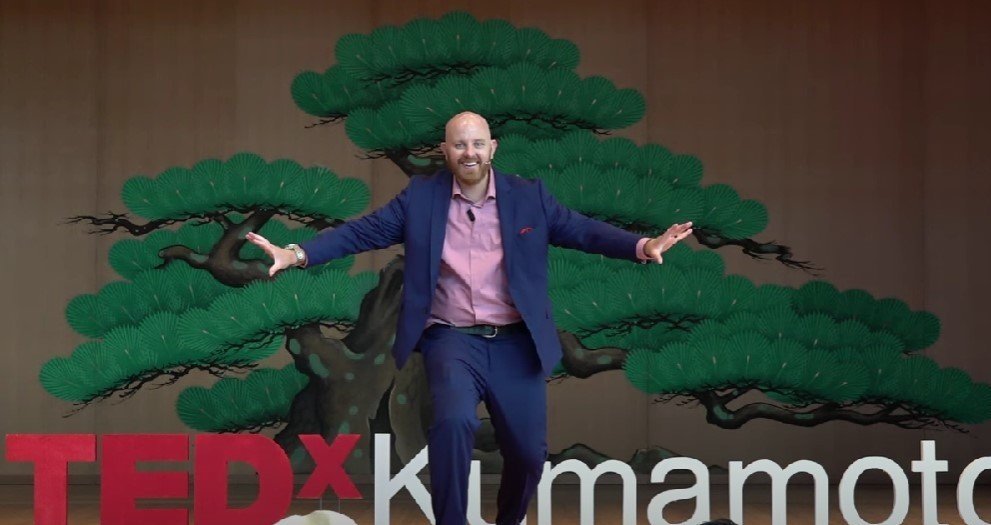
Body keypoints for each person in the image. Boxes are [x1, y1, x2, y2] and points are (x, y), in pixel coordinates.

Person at [247, 112, 693, 525]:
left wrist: (642, 246)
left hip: (517, 343)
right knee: (454, 423)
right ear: (446, 151)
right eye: (460, 145)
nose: (470, 153)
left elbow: (582, 230)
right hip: (452, 340)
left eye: (478, 143)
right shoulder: (421, 199)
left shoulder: (528, 197)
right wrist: (297, 253)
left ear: (493, 147)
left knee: (527, 452)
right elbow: (362, 232)